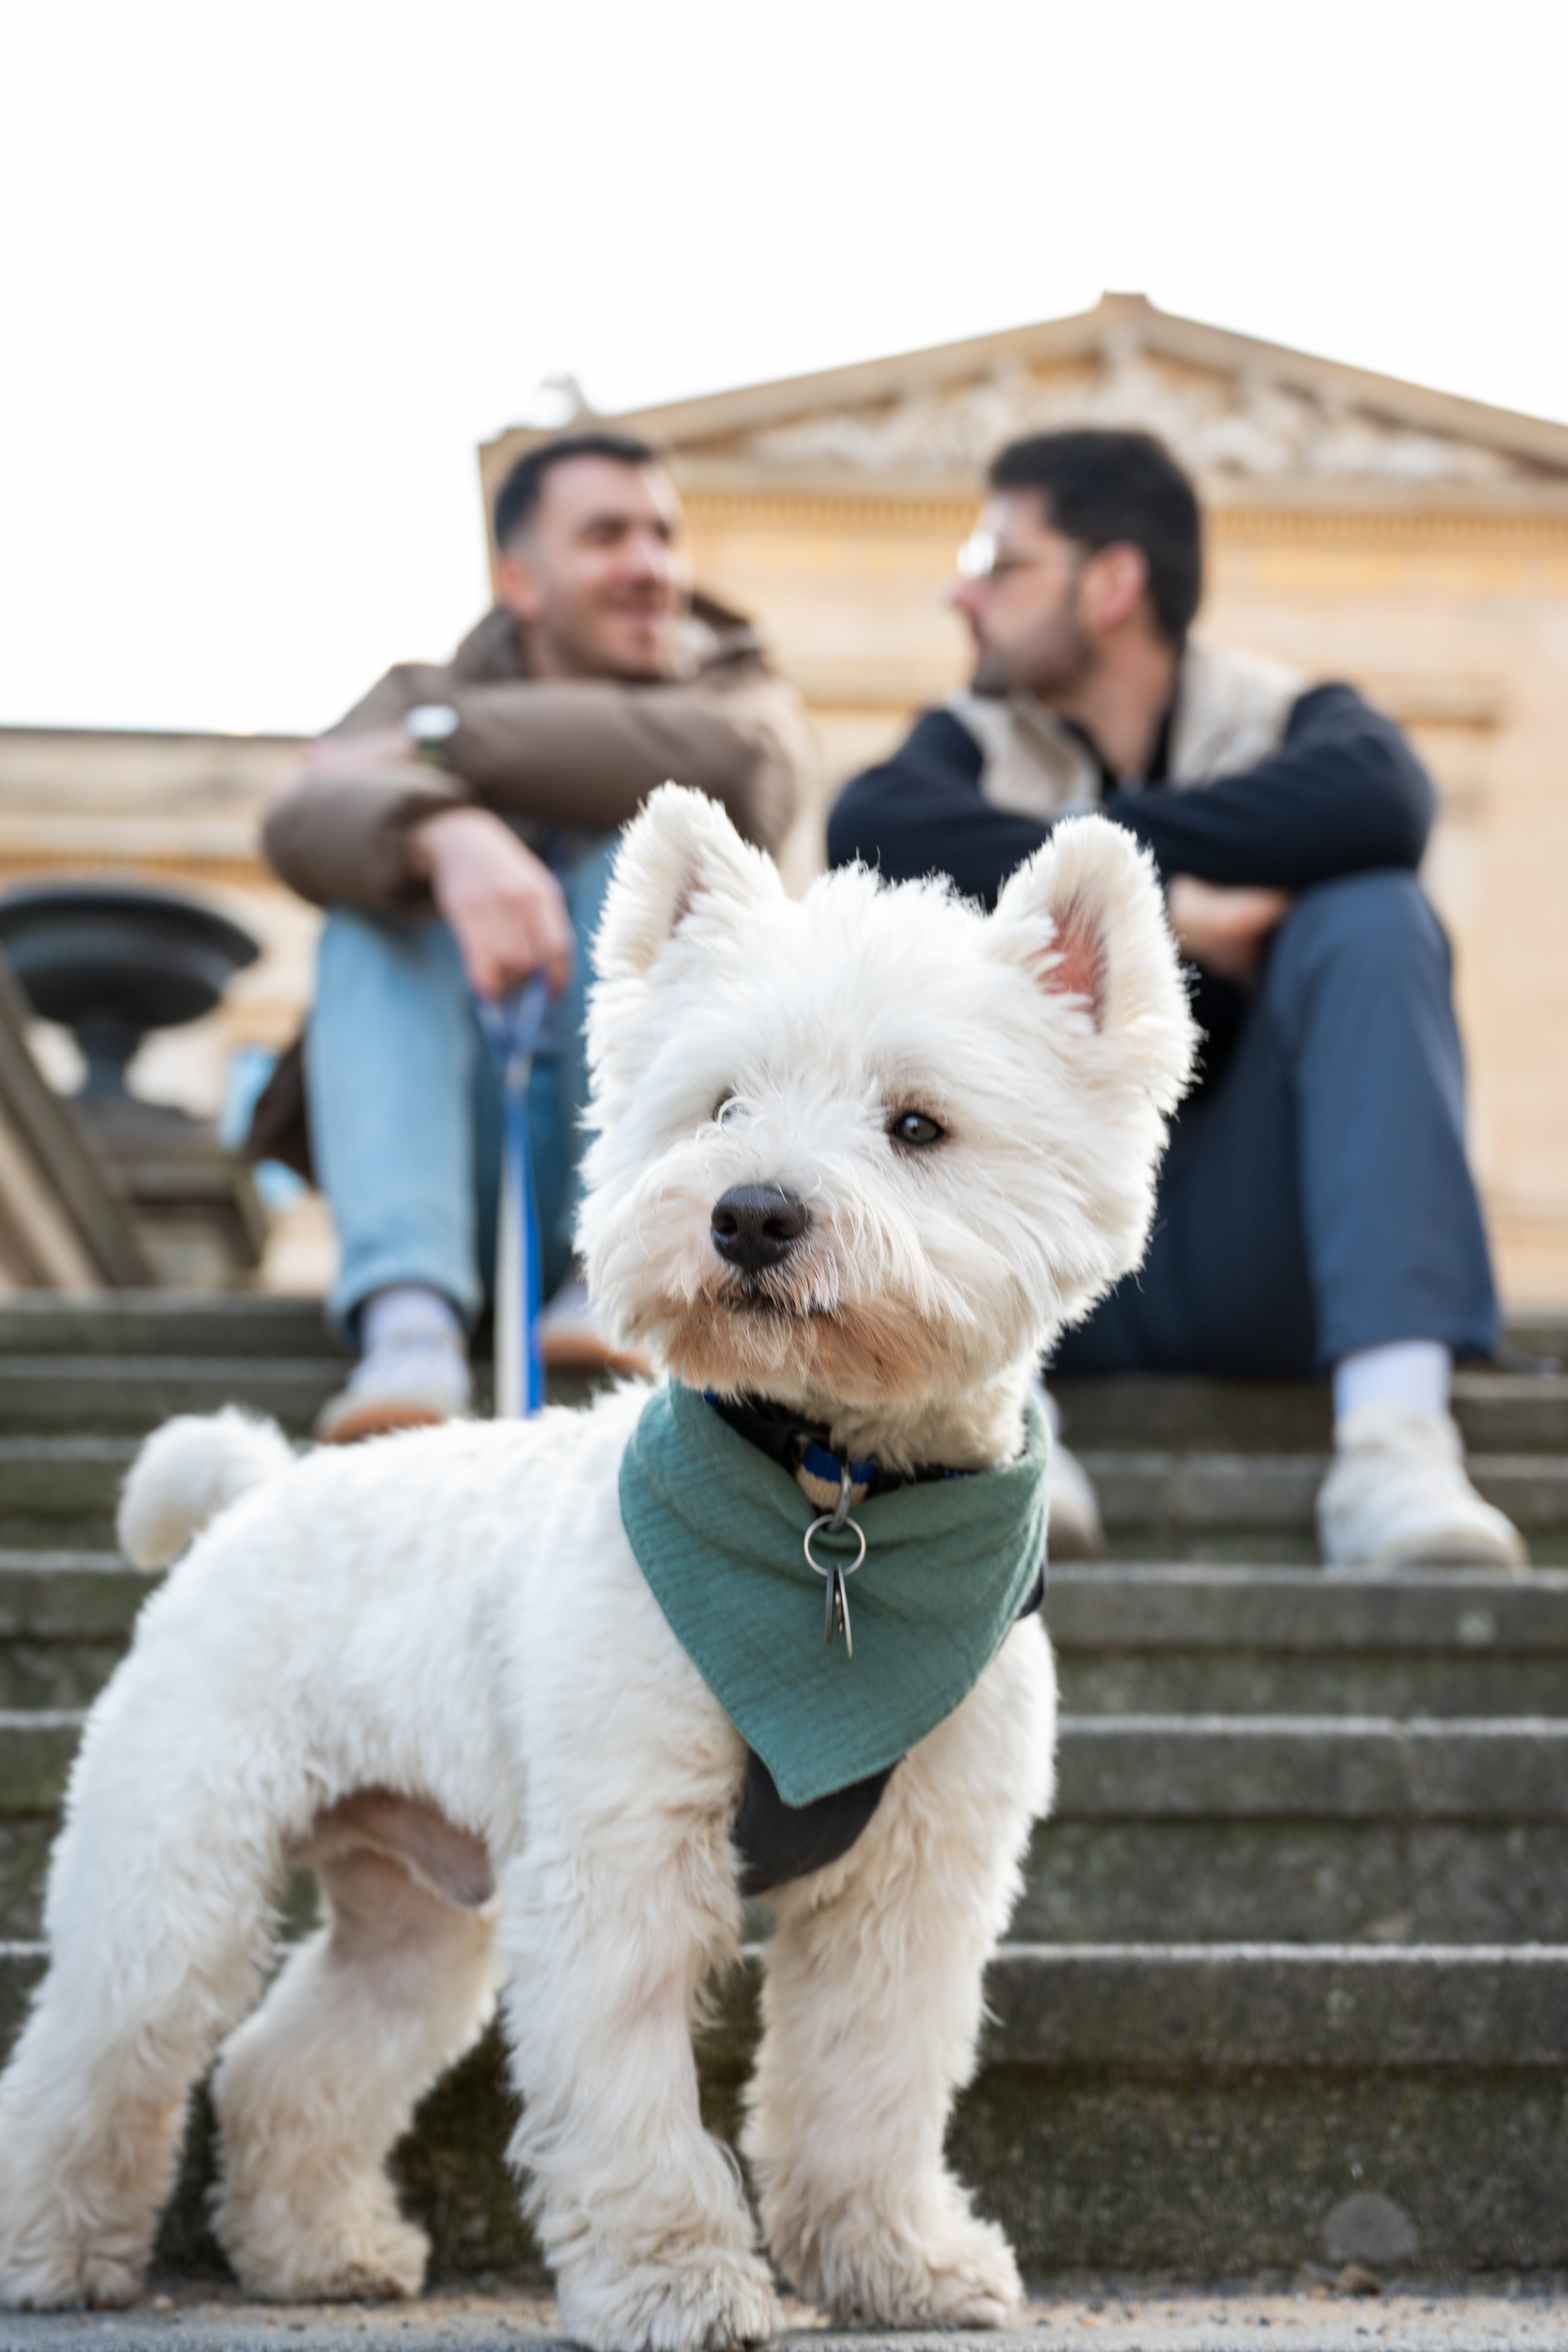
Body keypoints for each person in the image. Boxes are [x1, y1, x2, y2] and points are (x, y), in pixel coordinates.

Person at [827, 427, 1525, 1571]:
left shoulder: (1286, 716)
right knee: (924, 919)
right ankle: (1005, 1427)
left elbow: (1385, 799)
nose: (964, 591)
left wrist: (1104, 860)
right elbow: (873, 824)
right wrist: (1160, 903)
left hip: (1259, 1246)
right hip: (1053, 1277)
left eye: (1000, 562)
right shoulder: (965, 740)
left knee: (1375, 912)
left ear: (1111, 584)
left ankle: (1397, 1443)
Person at [252, 430, 817, 1443]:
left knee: (643, 866)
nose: (651, 565)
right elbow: (302, 814)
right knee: (375, 914)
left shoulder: (734, 688)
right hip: (456, 1142)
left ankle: (613, 1281)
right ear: (520, 578)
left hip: (672, 1173)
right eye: (607, 536)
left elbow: (743, 772)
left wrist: (450, 747)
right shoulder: (413, 684)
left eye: (662, 534)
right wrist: (443, 834)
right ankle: (410, 1328)